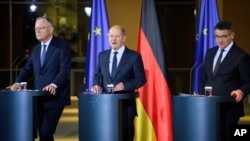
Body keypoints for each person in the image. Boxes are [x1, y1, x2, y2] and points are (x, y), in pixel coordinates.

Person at [7, 16, 71, 141]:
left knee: (46, 133)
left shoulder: (62, 46)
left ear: (51, 29)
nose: (37, 31)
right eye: (36, 28)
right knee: (43, 135)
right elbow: (27, 69)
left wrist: (54, 84)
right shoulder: (36, 49)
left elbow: (64, 70)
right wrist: (17, 83)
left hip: (55, 97)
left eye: (41, 28)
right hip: (37, 98)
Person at [92, 25, 146, 141]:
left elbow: (141, 79)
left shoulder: (134, 57)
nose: (113, 39)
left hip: (125, 106)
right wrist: (96, 84)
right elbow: (98, 75)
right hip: (105, 105)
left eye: (117, 36)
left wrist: (125, 85)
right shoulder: (102, 56)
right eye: (111, 36)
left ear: (124, 38)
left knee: (125, 136)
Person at [201, 21, 250, 141]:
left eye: (223, 36)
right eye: (217, 36)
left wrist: (241, 91)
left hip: (229, 110)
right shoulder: (210, 53)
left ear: (232, 35)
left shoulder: (241, 56)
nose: (220, 40)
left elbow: (248, 81)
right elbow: (206, 79)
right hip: (209, 108)